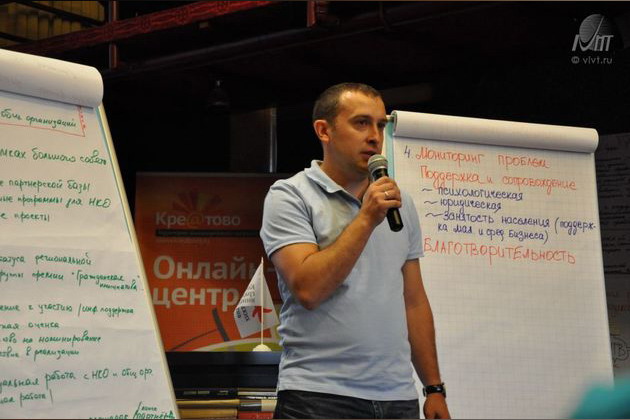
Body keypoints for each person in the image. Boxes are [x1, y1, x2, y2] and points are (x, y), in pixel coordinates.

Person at [260, 82, 450, 419]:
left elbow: (414, 301)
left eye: (380, 125)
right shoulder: (290, 196)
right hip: (319, 396)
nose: (375, 136)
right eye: (361, 123)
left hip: (397, 397)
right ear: (324, 131)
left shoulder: (400, 204)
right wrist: (365, 218)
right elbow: (308, 289)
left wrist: (433, 387)